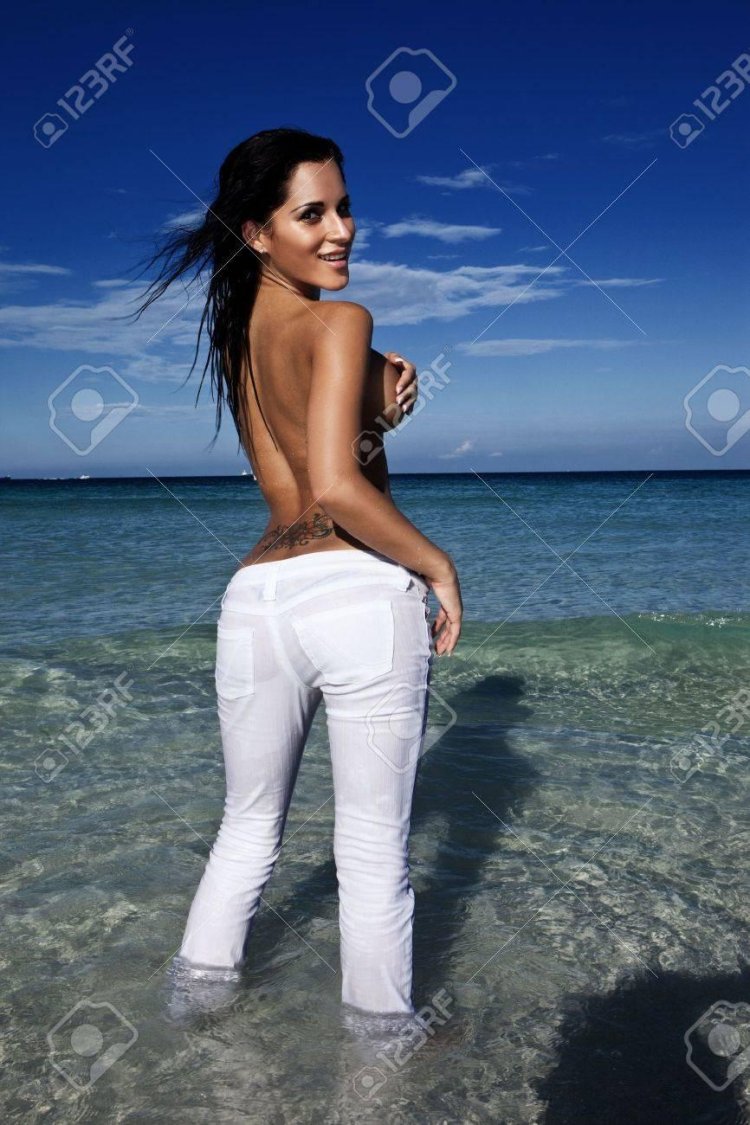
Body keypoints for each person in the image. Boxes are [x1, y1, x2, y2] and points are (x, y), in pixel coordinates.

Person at [130, 126, 463, 1023]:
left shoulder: (238, 344)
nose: (341, 230)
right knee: (372, 852)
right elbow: (338, 489)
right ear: (257, 232)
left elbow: (297, 470)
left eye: (345, 208)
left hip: (257, 600)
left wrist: (375, 409)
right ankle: (383, 1059)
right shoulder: (343, 322)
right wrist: (437, 564)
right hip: (357, 595)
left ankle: (189, 1022)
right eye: (311, 214)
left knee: (244, 833)